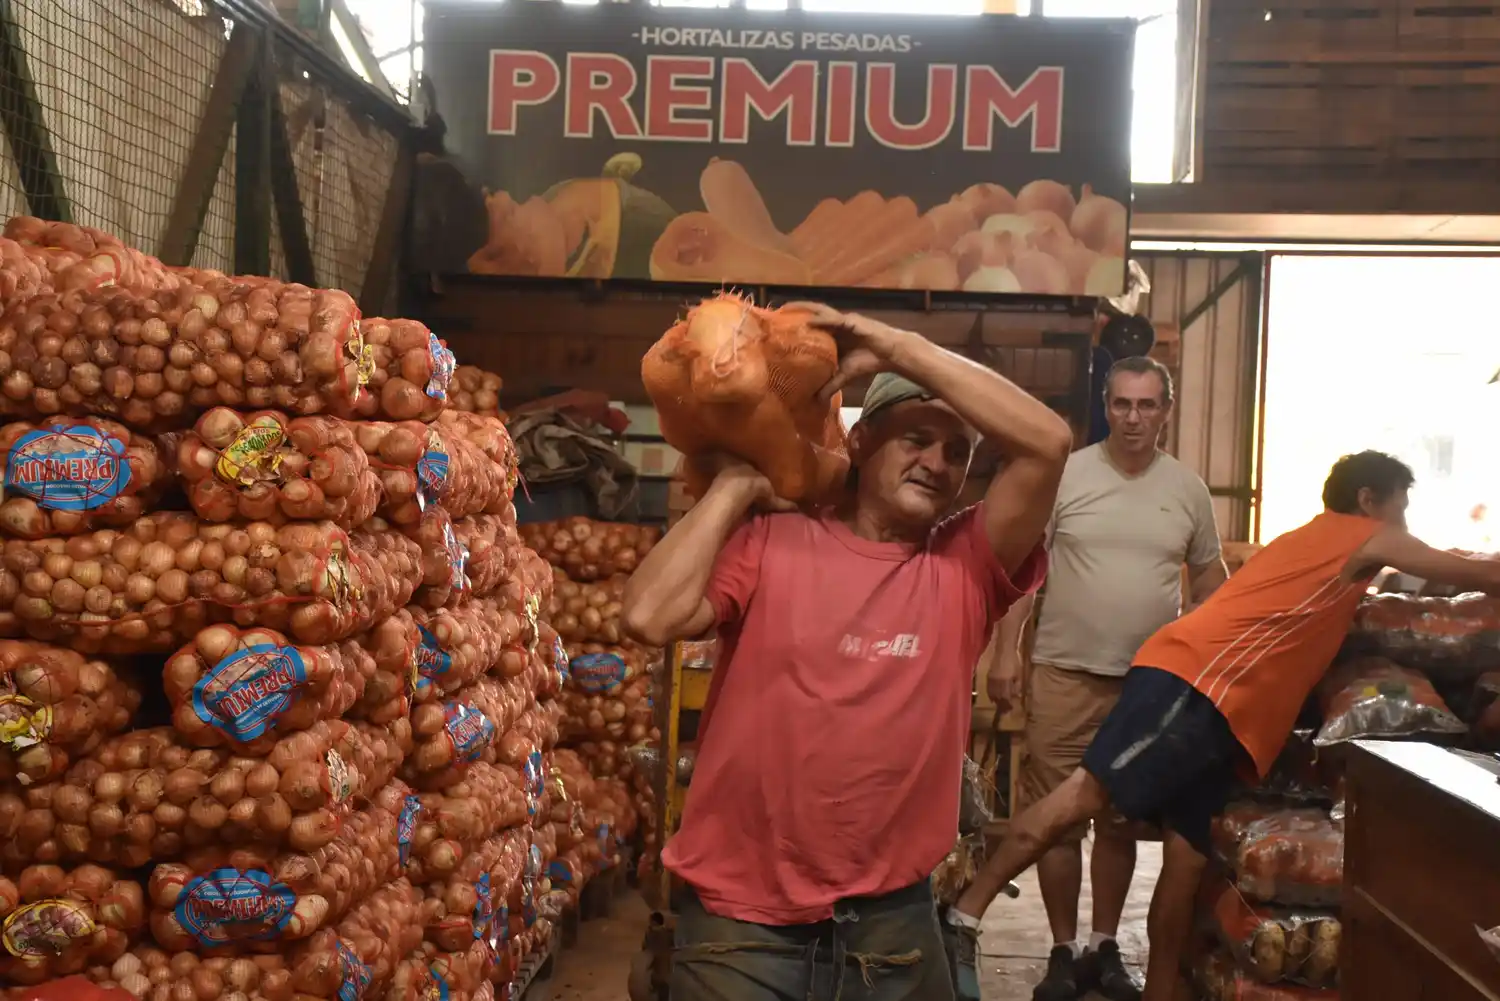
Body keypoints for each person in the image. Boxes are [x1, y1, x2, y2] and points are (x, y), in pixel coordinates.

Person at [622, 303, 1071, 1001]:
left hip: (890, 924)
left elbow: (1049, 441)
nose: (937, 462)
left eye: (958, 452)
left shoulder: (964, 567)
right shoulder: (773, 540)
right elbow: (648, 613)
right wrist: (738, 485)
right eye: (916, 439)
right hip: (741, 923)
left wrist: (895, 346)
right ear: (860, 444)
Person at [952, 449, 1500, 1001]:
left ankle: (1160, 991)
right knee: (1083, 797)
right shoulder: (1362, 533)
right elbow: (1471, 569)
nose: (1404, 523)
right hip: (1194, 684)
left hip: (1226, 714)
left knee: (1188, 857)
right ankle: (966, 916)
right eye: (1400, 508)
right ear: (1368, 501)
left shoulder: (1310, 541)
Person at [987, 356, 1226, 1001]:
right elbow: (1020, 576)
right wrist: (1006, 653)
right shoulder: (1066, 477)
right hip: (1063, 673)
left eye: (1147, 405)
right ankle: (1063, 951)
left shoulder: (1188, 490)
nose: (1134, 418)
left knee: (1118, 820)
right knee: (1057, 820)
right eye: (1122, 404)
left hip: (1147, 685)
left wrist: (1195, 642)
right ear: (1106, 406)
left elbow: (1209, 577)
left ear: (1166, 412)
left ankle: (1103, 945)